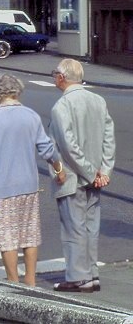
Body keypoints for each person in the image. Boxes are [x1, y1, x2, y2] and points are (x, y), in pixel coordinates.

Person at [0, 73, 64, 287]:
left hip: (1, 188)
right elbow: (46, 148)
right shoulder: (31, 116)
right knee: (29, 234)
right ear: (17, 91)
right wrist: (59, 168)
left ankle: (13, 281)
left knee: (7, 236)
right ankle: (30, 280)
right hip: (28, 186)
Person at [49, 58, 116, 293]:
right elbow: (109, 139)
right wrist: (103, 171)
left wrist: (89, 172)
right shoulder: (98, 101)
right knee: (90, 227)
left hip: (71, 177)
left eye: (55, 74)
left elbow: (67, 147)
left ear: (62, 77)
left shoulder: (61, 106)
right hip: (95, 177)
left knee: (73, 227)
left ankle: (79, 278)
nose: (54, 77)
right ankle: (92, 274)